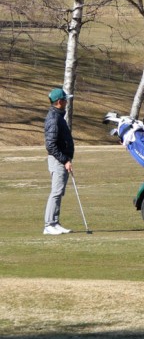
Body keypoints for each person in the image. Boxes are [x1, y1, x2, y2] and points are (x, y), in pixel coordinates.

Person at [44, 87, 75, 235]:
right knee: (56, 192)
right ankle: (49, 224)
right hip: (58, 160)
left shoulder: (58, 116)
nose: (67, 101)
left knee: (59, 192)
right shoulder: (54, 119)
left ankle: (55, 222)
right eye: (65, 99)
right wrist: (64, 160)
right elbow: (50, 145)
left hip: (61, 160)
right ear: (59, 102)